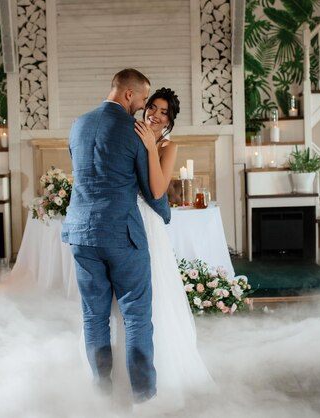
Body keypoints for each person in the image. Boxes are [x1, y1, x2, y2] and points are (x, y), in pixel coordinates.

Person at [61, 68, 170, 404]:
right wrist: (165, 215)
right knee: (136, 314)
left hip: (80, 233)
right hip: (121, 235)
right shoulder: (135, 130)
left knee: (94, 317)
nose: (143, 107)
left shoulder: (78, 124)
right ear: (128, 94)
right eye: (141, 98)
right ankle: (143, 396)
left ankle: (102, 394)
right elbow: (152, 190)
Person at [133, 88, 214, 406]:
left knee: (154, 289)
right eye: (152, 107)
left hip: (148, 220)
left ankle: (162, 369)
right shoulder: (131, 132)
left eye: (163, 111)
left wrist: (150, 146)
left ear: (170, 119)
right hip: (124, 217)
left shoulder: (168, 145)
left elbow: (157, 189)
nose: (154, 114)